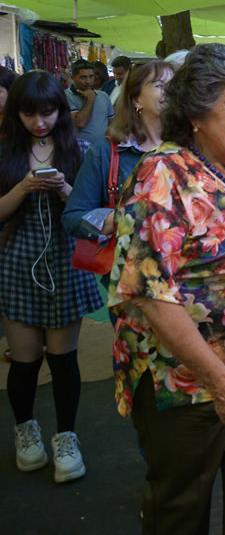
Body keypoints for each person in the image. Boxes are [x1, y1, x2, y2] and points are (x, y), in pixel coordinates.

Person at [108, 43, 225, 535]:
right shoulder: (162, 176)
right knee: (180, 511)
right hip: (188, 383)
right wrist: (220, 382)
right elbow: (150, 293)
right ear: (195, 114)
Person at [0, 71, 101, 483]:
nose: (40, 123)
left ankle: (66, 438)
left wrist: (64, 190)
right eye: (30, 114)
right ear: (16, 113)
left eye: (48, 112)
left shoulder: (81, 150)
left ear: (61, 110)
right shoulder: (5, 152)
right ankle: (26, 431)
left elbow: (95, 216)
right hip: (16, 260)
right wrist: (23, 188)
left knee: (63, 360)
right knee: (24, 360)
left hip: (64, 260)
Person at [62, 60, 173, 292]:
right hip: (129, 282)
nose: (170, 92)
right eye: (160, 85)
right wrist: (118, 219)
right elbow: (73, 217)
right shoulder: (106, 152)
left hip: (187, 278)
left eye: (175, 85)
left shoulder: (192, 151)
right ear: (136, 99)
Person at [65, 59, 114, 149]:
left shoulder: (103, 95)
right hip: (77, 150)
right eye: (83, 77)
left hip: (102, 150)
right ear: (73, 78)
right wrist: (90, 100)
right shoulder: (66, 96)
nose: (88, 81)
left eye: (91, 77)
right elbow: (80, 123)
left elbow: (112, 124)